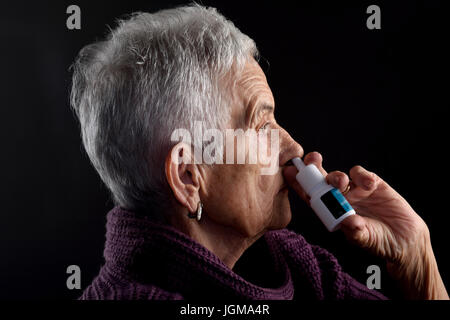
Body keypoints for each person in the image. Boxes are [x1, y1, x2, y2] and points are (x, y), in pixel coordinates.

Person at [70, 4, 448, 300]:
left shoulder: (300, 270)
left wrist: (417, 262)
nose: (294, 148)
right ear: (188, 176)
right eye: (262, 126)